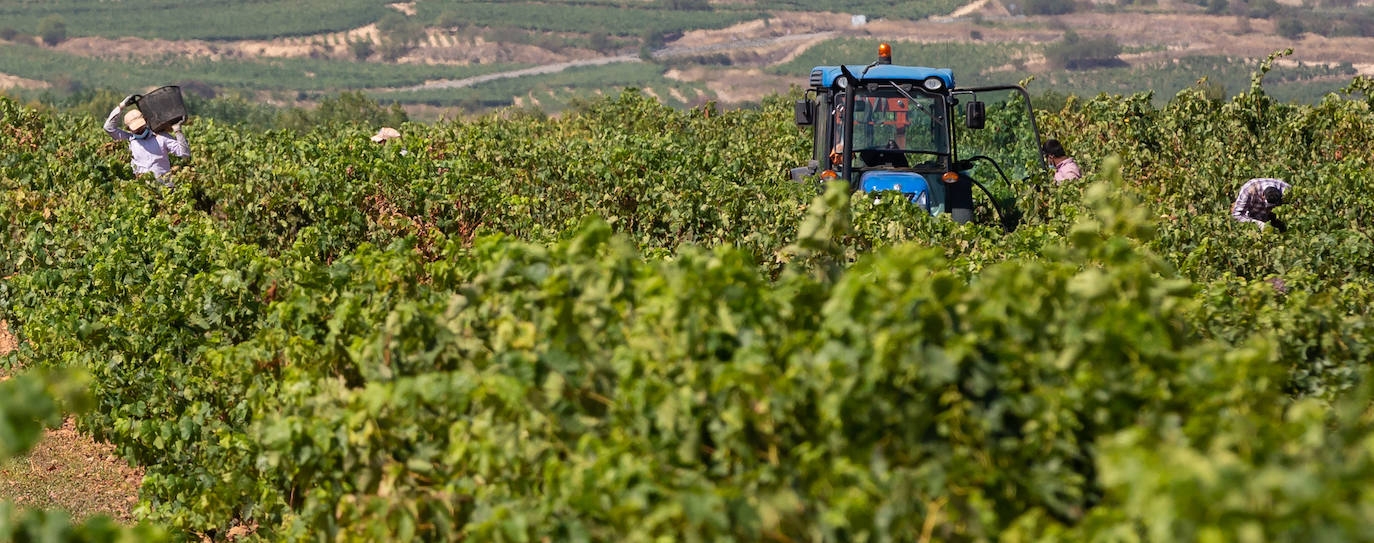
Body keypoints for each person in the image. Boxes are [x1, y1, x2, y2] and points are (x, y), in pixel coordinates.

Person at [104, 94, 189, 188]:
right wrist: (122, 106)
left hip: (166, 189)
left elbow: (184, 153)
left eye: (141, 127)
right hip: (143, 190)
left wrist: (178, 131)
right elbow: (108, 128)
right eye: (136, 129)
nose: (140, 131)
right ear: (128, 129)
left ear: (146, 121)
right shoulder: (128, 140)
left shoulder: (161, 137)